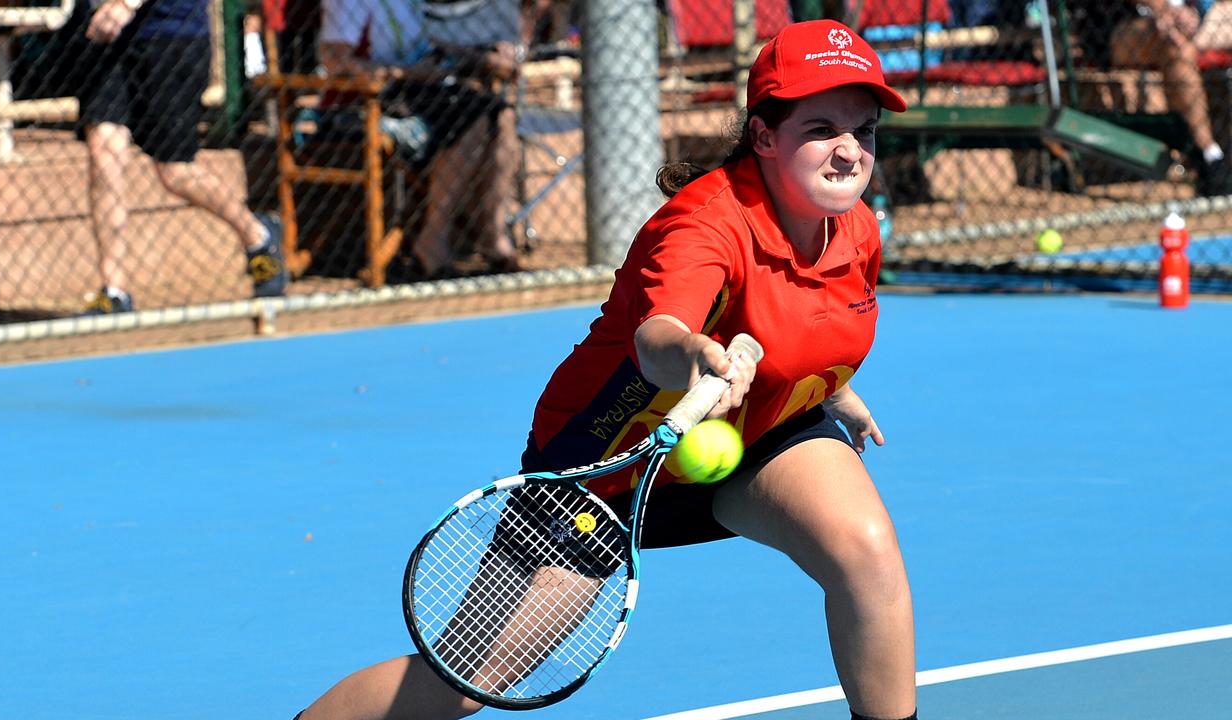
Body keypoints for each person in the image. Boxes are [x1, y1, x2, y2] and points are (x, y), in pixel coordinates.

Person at [295, 18, 917, 720]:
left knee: (866, 553)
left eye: (862, 131)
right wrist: (696, 359)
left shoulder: (854, 227)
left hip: (748, 435)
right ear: (765, 136)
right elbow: (659, 337)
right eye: (821, 128)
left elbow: (799, 318)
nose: (848, 151)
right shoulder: (703, 225)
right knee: (474, 675)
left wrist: (833, 388)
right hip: (608, 459)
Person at [76, 0, 289, 314]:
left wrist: (125, 3)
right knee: (103, 151)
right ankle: (114, 289)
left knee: (175, 171)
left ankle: (257, 234)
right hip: (110, 39)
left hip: (171, 35)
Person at [318, 0, 521, 278]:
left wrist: (481, 57)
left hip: (421, 88)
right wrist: (408, 73)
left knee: (503, 117)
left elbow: (424, 45)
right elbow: (334, 58)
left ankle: (493, 233)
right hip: (367, 100)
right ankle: (433, 238)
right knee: (473, 117)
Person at [1069, 0, 1232, 195]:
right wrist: (1163, 9)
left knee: (1183, 33)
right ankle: (1210, 155)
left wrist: (1194, 12)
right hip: (1128, 24)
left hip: (1198, 17)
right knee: (1176, 44)